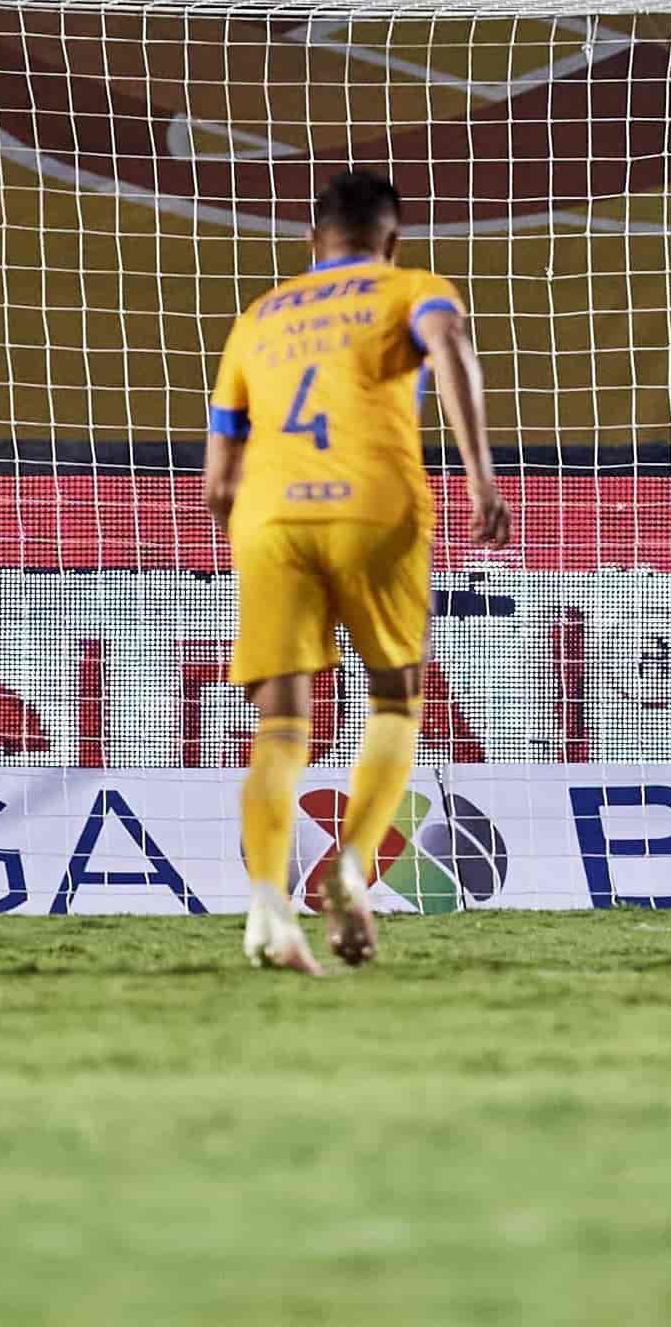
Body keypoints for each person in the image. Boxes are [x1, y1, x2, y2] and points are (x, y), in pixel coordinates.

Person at [202, 170, 514, 975]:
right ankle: (349, 866)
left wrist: (251, 536)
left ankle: (268, 906)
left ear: (313, 240)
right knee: (395, 696)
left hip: (271, 518)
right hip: (375, 506)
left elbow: (217, 479)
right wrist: (480, 478)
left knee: (279, 726)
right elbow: (451, 349)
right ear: (392, 239)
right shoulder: (413, 287)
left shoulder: (260, 314)